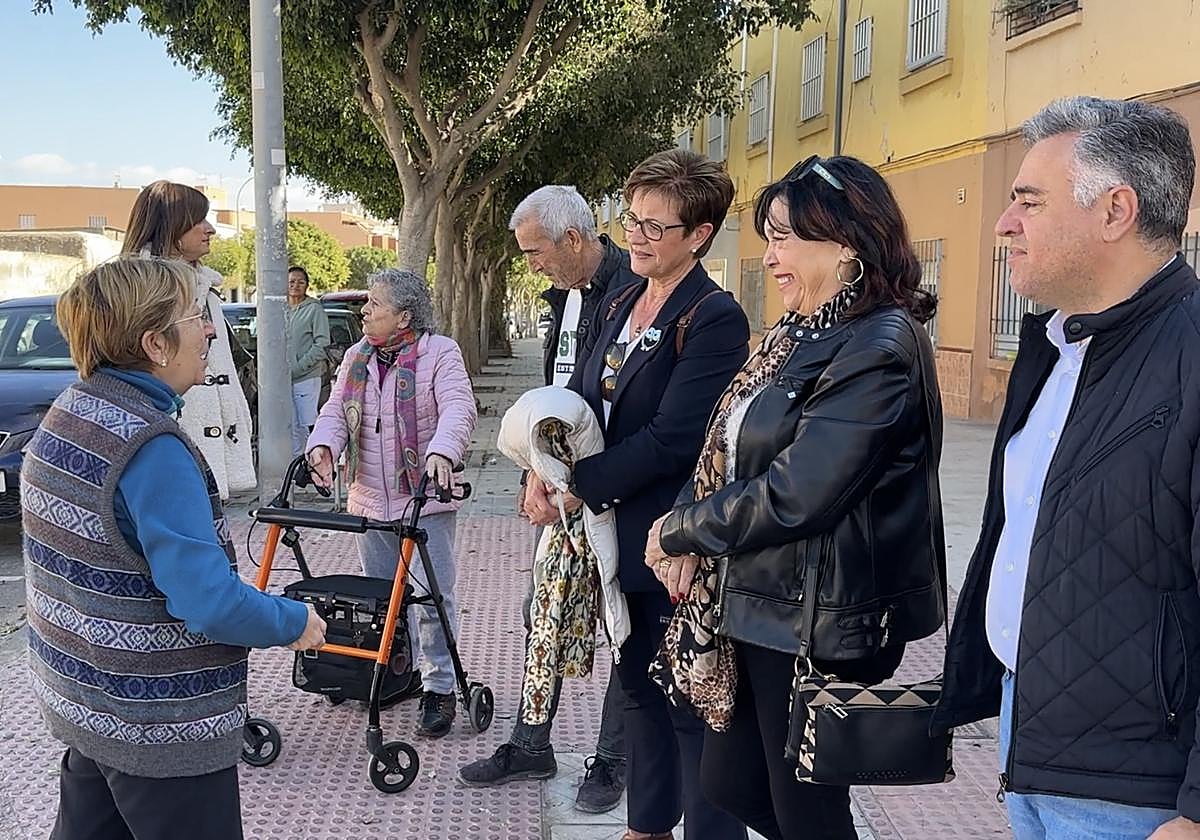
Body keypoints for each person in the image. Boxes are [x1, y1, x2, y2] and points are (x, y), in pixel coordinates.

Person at [645, 154, 944, 840]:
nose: (770, 255)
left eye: (783, 237)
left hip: (820, 616)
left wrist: (681, 529)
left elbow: (799, 490)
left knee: (805, 812)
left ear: (845, 244)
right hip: (764, 600)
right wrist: (691, 518)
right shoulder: (803, 332)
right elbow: (730, 442)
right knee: (730, 786)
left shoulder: (879, 343)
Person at [934, 97, 1200, 840]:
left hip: (1142, 792)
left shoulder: (1191, 356)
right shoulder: (1055, 348)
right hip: (1036, 739)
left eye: (1028, 201)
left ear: (1116, 210)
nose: (1003, 224)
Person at [24, 257, 326, 840]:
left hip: (87, 702)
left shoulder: (71, 409)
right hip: (158, 726)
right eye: (195, 317)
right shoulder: (152, 448)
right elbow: (208, 602)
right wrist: (294, 622)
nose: (209, 328)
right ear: (155, 344)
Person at [557, 148, 751, 840]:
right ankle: (648, 825)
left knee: (689, 704)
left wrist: (577, 484)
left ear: (699, 235)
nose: (635, 237)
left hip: (673, 544)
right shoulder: (620, 298)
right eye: (631, 221)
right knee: (638, 689)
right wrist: (542, 461)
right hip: (615, 537)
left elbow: (675, 438)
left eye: (654, 226)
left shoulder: (715, 316)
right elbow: (580, 395)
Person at [459, 184, 635, 813]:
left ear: (574, 238)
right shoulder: (561, 299)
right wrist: (538, 473)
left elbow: (621, 410)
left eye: (535, 251)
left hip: (610, 488)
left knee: (620, 624)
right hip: (555, 484)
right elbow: (554, 396)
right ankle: (532, 741)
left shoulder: (632, 293)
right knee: (542, 610)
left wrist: (575, 490)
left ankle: (615, 758)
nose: (530, 262)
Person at [307, 268, 476, 738]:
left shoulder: (439, 353)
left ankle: (439, 687)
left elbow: (459, 408)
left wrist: (442, 452)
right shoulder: (357, 356)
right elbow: (336, 411)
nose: (365, 311)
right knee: (383, 599)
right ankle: (393, 671)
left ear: (404, 315)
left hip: (424, 501)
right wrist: (322, 447)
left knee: (432, 598)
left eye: (375, 305)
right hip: (369, 499)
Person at [121, 180, 256, 500]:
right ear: (171, 226)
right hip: (162, 446)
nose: (210, 229)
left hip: (204, 448)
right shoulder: (137, 289)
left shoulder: (204, 286)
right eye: (199, 220)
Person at [285, 265, 331, 456]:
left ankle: (311, 463)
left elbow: (322, 343)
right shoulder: (280, 309)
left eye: (300, 282)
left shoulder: (314, 309)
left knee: (306, 424)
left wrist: (299, 366)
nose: (295, 285)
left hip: (306, 377)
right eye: (291, 282)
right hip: (282, 379)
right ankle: (296, 466)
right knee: (290, 426)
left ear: (307, 285)